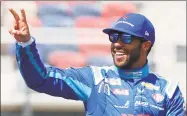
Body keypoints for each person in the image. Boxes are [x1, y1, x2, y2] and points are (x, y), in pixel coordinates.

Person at [8, 8, 185, 116]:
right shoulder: (95, 79)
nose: (117, 43)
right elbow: (41, 79)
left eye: (126, 38)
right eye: (114, 36)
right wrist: (25, 43)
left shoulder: (168, 90)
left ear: (145, 45)